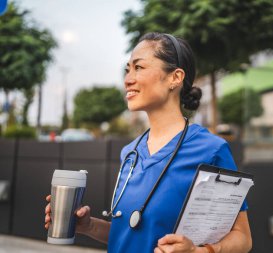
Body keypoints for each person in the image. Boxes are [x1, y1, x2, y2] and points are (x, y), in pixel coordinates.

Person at [45, 32, 252, 253]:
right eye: (127, 70)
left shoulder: (211, 150)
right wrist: (88, 226)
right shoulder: (130, 153)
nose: (127, 79)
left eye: (139, 68)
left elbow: (243, 238)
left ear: (175, 77)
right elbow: (130, 232)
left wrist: (199, 251)